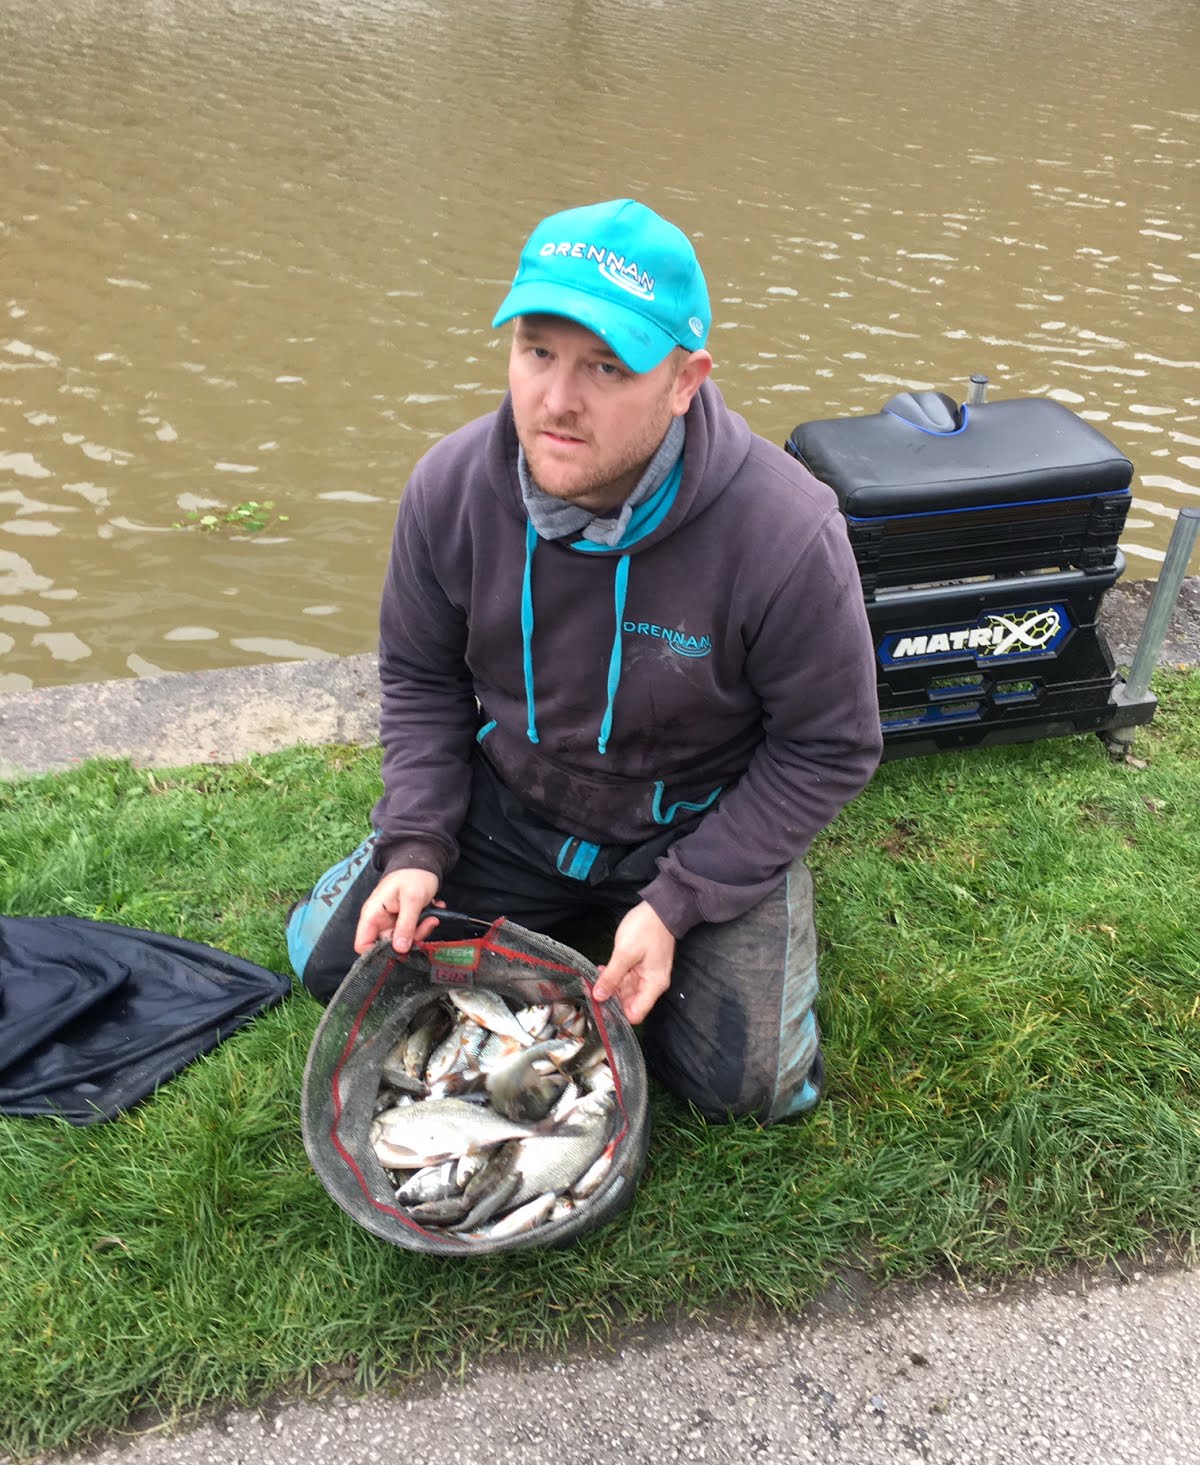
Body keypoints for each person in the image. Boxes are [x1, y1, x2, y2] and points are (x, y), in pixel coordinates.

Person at [287, 198, 882, 1123]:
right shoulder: (448, 489)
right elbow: (421, 679)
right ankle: (396, 865)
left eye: (608, 366)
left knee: (750, 1094)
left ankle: (722, 900)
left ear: (686, 381)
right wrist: (416, 842)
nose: (558, 400)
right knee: (329, 970)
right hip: (515, 807)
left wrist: (683, 897)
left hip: (687, 825)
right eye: (538, 352)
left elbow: (830, 748)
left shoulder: (787, 531)